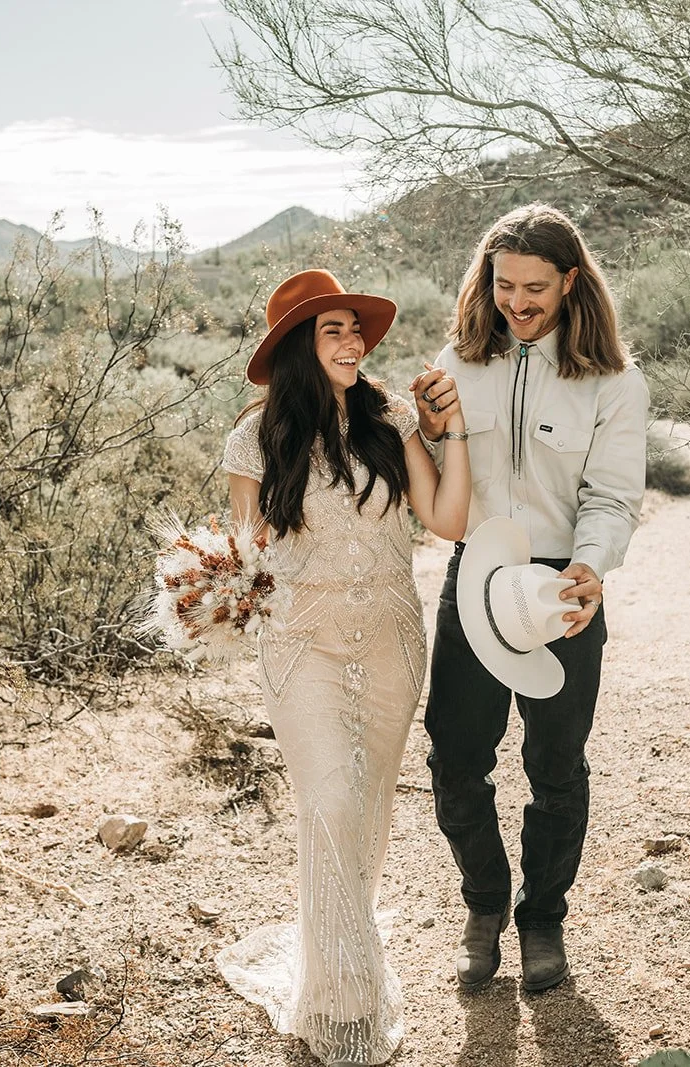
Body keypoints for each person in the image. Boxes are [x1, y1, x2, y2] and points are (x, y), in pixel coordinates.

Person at [217, 268, 471, 1066]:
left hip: (392, 642)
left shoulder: (391, 419)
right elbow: (246, 558)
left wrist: (450, 432)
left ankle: (338, 969)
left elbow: (448, 518)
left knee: (364, 814)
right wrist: (208, 589)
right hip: (302, 646)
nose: (354, 340)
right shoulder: (253, 438)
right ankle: (344, 1006)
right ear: (299, 345)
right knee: (327, 800)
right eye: (334, 328)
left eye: (356, 328)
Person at [410, 203, 650, 993]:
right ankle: (483, 903)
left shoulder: (614, 381)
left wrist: (590, 567)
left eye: (535, 288)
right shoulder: (459, 359)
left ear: (571, 281)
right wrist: (434, 431)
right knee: (454, 757)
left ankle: (542, 916)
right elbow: (444, 472)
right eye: (504, 284)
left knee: (556, 765)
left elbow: (612, 497)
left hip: (560, 588)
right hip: (476, 574)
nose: (517, 301)